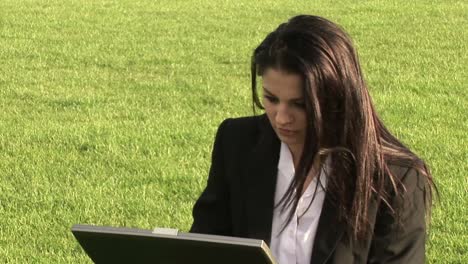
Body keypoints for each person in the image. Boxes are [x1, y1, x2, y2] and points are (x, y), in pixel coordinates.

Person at [190, 15, 436, 264]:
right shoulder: (236, 141)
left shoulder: (396, 179)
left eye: (300, 104)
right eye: (271, 99)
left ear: (339, 97)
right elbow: (205, 245)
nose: (281, 118)